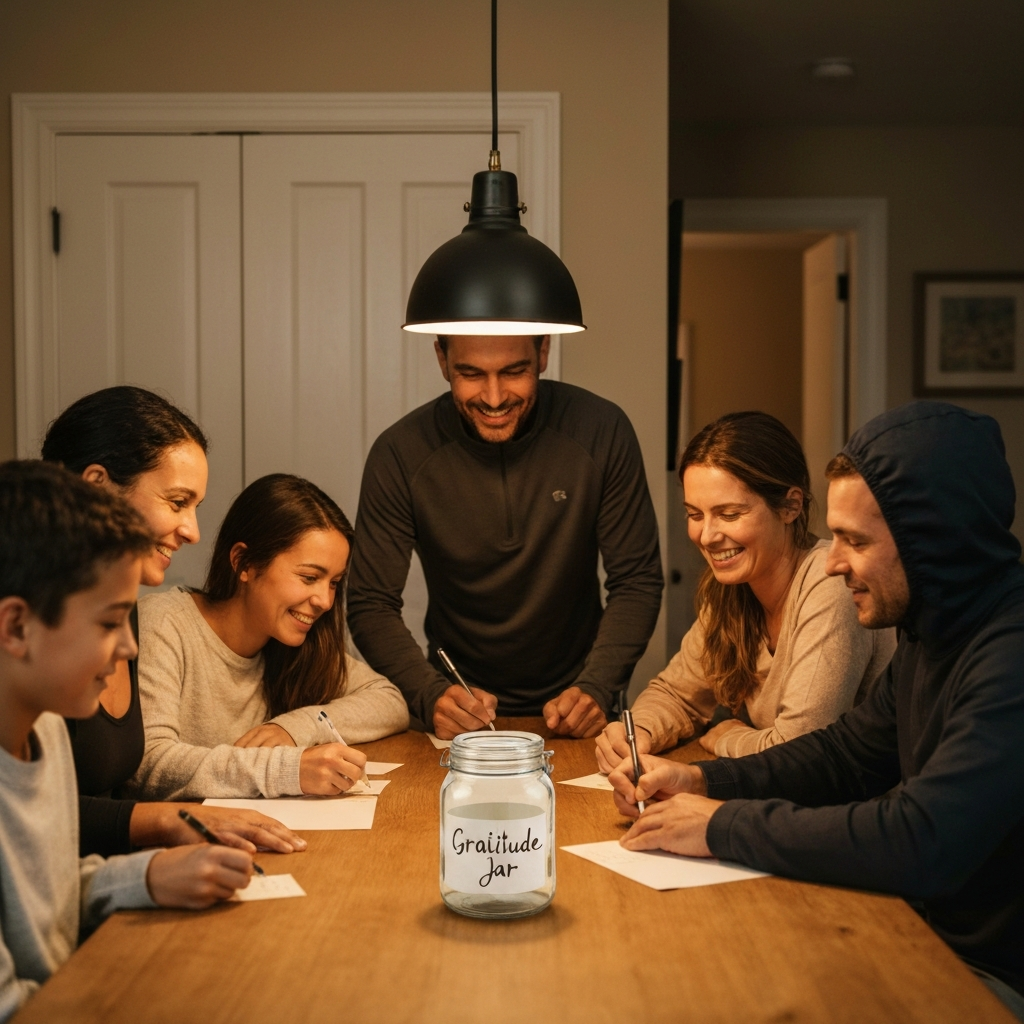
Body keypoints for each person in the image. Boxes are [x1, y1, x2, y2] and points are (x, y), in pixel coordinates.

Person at [609, 402, 1024, 1015]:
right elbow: (844, 755)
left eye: (856, 541)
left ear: (932, 540)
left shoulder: (1010, 655)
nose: (832, 561)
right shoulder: (932, 633)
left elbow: (921, 840)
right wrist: (700, 780)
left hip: (990, 975)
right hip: (916, 929)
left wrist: (721, 825)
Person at [0, 461, 255, 1022]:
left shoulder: (44, 730)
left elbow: (51, 901)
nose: (129, 648)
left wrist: (146, 875)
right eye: (109, 622)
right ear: (16, 627)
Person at [347, 334, 663, 740]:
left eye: (514, 372)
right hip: (455, 709)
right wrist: (429, 694)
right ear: (442, 359)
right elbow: (371, 602)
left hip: (581, 704)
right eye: (471, 374)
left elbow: (636, 579)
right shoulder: (400, 452)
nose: (494, 398)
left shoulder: (601, 429)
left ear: (543, 352)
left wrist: (597, 686)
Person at [42, 387, 305, 857]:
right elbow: (24, 814)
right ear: (97, 485)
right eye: (177, 501)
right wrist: (170, 821)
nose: (193, 531)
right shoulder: (33, 627)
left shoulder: (125, 609)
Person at [595, 412, 895, 772]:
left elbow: (799, 751)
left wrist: (729, 736)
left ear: (791, 506)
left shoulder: (829, 583)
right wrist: (638, 733)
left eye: (729, 514)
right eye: (695, 514)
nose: (707, 536)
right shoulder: (733, 588)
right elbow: (676, 694)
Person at [126, 474, 409, 800]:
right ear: (244, 563)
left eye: (333, 582)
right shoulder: (164, 623)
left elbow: (390, 701)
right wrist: (288, 770)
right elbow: (149, 764)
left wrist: (297, 726)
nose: (325, 601)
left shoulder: (293, 644)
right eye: (309, 577)